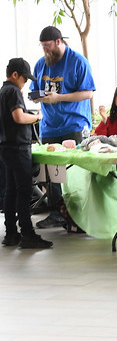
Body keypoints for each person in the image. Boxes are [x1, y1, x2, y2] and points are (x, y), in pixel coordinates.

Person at [29, 26, 96, 228]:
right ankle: (57, 213)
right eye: (42, 47)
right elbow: (33, 91)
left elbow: (88, 93)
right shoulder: (41, 64)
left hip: (74, 124)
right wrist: (36, 97)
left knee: (76, 172)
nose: (45, 51)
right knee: (53, 174)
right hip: (49, 127)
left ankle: (79, 215)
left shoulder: (78, 61)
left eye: (48, 46)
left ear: (59, 42)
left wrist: (59, 98)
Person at [0, 58, 52, 248]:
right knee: (24, 192)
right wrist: (36, 116)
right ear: (15, 75)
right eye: (24, 78)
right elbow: (19, 116)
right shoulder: (13, 91)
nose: (26, 82)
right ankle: (28, 235)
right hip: (18, 148)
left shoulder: (3, 91)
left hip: (6, 147)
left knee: (10, 193)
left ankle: (11, 234)